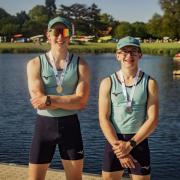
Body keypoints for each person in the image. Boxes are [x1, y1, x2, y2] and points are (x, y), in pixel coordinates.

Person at [27, 16, 90, 180]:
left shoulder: (81, 64)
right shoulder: (35, 64)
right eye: (56, 32)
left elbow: (82, 101)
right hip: (44, 128)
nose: (60, 36)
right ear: (48, 35)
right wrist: (69, 101)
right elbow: (38, 102)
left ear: (70, 36)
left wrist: (48, 100)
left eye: (65, 32)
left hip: (70, 128)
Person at [99, 36, 158, 180]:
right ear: (117, 55)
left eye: (133, 51)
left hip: (138, 141)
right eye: (124, 51)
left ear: (140, 55)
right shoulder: (107, 82)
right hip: (114, 142)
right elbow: (103, 118)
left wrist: (130, 145)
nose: (129, 55)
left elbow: (153, 120)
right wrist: (121, 150)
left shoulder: (150, 83)